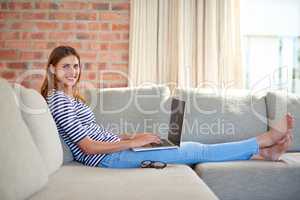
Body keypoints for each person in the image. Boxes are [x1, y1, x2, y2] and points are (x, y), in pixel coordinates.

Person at [41, 46, 294, 168]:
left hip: (115, 150)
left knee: (192, 147)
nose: (73, 71)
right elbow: (87, 146)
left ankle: (263, 154)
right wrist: (131, 143)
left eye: (76, 66)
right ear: (52, 68)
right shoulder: (59, 100)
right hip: (110, 157)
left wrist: (131, 136)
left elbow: (92, 134)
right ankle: (264, 140)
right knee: (197, 150)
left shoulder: (70, 98)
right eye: (66, 66)